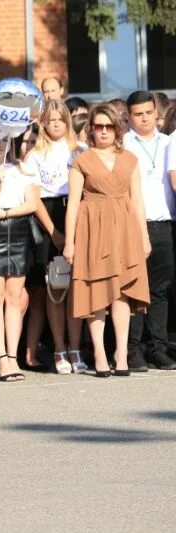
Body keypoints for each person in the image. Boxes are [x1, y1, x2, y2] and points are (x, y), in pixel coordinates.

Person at [64, 104, 150, 377]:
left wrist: (144, 236)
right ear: (91, 129)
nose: (103, 131)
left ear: (117, 128)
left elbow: (137, 200)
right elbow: (73, 205)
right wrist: (69, 242)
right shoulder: (81, 160)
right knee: (97, 292)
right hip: (92, 230)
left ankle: (121, 353)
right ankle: (100, 354)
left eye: (108, 126)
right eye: (98, 126)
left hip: (125, 230)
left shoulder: (130, 159)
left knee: (123, 291)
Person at [0, 123, 41, 381]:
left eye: (4, 139)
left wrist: (6, 212)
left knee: (15, 297)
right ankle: (1, 357)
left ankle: (13, 357)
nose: (0, 144)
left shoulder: (24, 168)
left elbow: (32, 203)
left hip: (18, 230)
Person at [23, 100, 84, 373]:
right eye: (51, 120)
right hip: (49, 217)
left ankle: (75, 347)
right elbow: (35, 199)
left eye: (61, 119)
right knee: (55, 289)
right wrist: (55, 233)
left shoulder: (79, 151)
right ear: (43, 123)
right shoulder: (35, 153)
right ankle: (59, 348)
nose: (56, 124)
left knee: (77, 288)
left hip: (76, 214)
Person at [123, 91, 176, 371]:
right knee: (134, 289)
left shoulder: (169, 143)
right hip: (133, 225)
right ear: (128, 117)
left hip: (165, 223)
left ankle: (157, 347)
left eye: (148, 113)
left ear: (156, 112)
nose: (144, 119)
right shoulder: (123, 145)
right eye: (138, 114)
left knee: (161, 290)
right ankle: (134, 349)